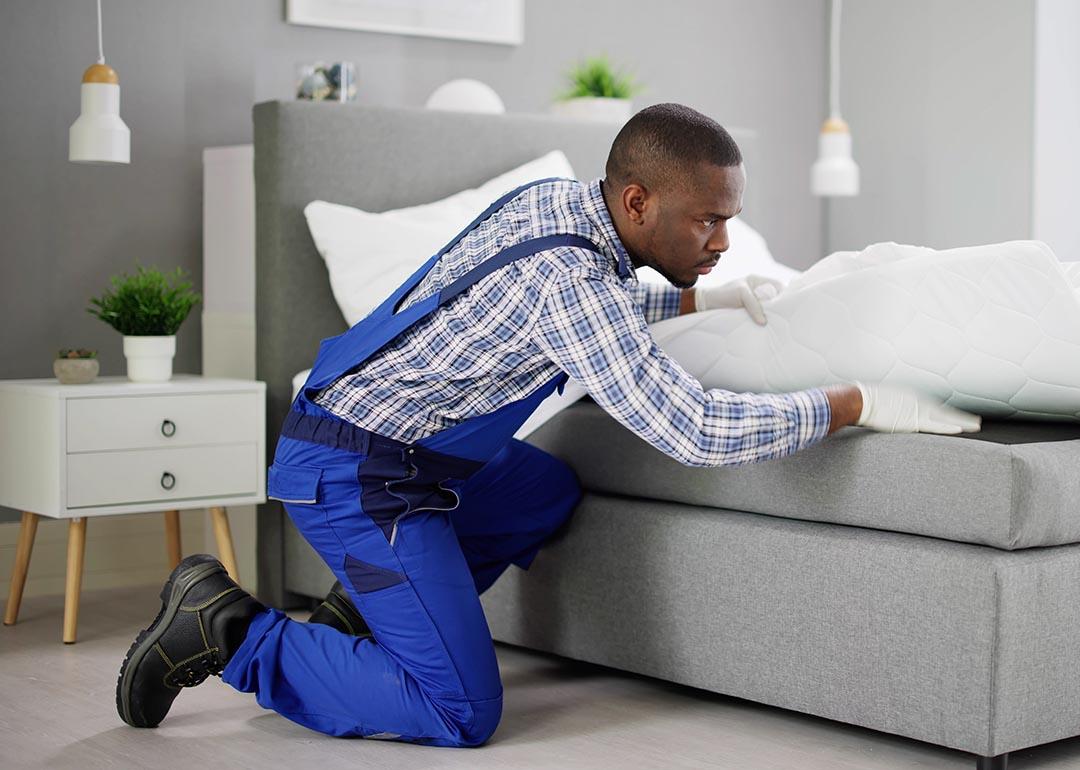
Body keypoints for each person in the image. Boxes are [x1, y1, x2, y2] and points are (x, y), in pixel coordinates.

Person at [115, 103, 981, 745]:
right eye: (708, 221)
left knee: (544, 489)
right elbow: (695, 430)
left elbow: (578, 306)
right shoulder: (571, 280)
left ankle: (356, 622)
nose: (724, 238)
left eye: (731, 219)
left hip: (412, 453)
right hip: (357, 474)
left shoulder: (562, 206)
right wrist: (854, 403)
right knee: (459, 711)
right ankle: (228, 628)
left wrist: (692, 293)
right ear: (637, 201)